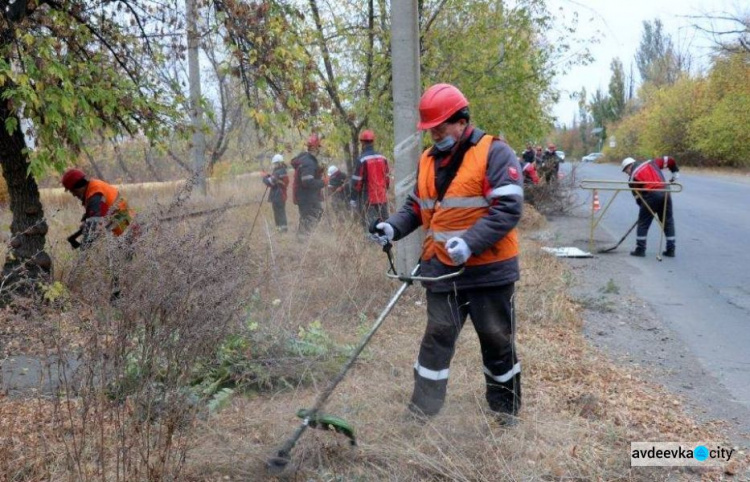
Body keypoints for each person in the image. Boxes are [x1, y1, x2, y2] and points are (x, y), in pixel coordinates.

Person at [370, 83, 523, 424]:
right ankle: (422, 410)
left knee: (496, 340)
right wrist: (393, 227)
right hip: (442, 271)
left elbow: (508, 207)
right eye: (430, 128)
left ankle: (505, 411)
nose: (435, 134)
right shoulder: (428, 159)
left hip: (490, 272)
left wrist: (470, 242)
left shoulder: (494, 152)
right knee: (436, 339)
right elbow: (416, 206)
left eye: (439, 126)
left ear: (461, 121)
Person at [61, 168, 135, 249]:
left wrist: (83, 250)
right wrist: (86, 222)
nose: (74, 195)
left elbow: (94, 226)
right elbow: (96, 214)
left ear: (78, 187)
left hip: (127, 232)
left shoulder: (94, 195)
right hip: (128, 227)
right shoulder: (94, 187)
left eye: (73, 191)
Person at [621, 156, 679, 257]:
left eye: (626, 171)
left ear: (629, 166)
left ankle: (640, 249)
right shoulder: (652, 163)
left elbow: (639, 199)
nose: (627, 173)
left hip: (651, 195)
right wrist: (675, 173)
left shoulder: (632, 179)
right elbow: (669, 160)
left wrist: (646, 211)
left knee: (643, 223)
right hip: (665, 192)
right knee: (668, 222)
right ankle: (671, 249)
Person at [350, 129, 390, 230]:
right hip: (382, 197)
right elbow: (387, 179)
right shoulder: (383, 158)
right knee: (385, 223)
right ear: (373, 141)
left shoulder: (361, 159)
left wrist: (353, 198)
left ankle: (371, 244)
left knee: (370, 225)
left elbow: (357, 182)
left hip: (367, 198)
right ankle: (386, 243)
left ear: (362, 142)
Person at [291, 134, 326, 236]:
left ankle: (302, 240)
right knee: (310, 217)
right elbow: (307, 182)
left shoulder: (307, 160)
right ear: (314, 147)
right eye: (319, 147)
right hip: (306, 197)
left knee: (313, 214)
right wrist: (323, 182)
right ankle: (303, 242)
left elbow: (308, 176)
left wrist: (318, 172)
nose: (320, 150)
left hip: (306, 196)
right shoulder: (309, 162)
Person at [263, 154, 290, 232]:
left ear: (279, 163)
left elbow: (270, 182)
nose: (274, 165)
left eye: (275, 163)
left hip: (278, 195)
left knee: (279, 213)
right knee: (280, 212)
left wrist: (265, 178)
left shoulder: (278, 172)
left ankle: (282, 230)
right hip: (281, 195)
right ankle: (281, 229)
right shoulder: (283, 170)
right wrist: (269, 176)